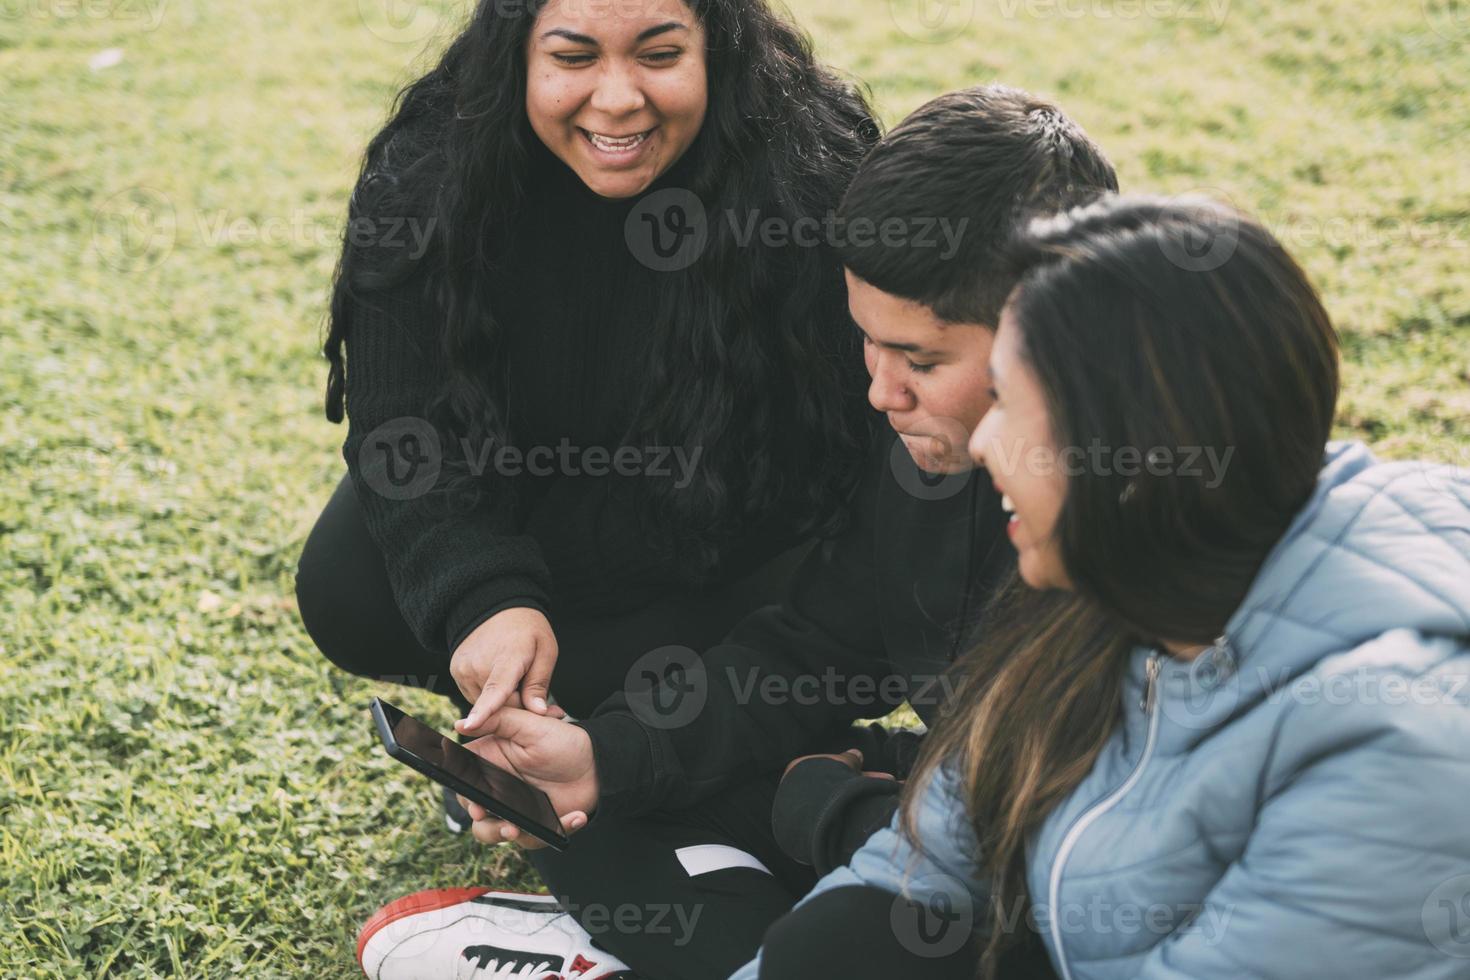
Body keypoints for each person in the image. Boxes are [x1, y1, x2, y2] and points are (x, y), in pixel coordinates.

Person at [355, 86, 1118, 980]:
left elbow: (1079, 859)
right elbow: (814, 644)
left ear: (1057, 331)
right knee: (593, 806)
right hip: (936, 798)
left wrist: (832, 805)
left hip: (1040, 880)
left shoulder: (1150, 523)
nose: (880, 392)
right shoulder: (925, 458)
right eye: (866, 342)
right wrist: (606, 757)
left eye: (920, 360)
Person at [730, 195, 1470, 980]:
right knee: (845, 942)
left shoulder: (1389, 745)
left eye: (1010, 403)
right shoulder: (1108, 592)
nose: (984, 441)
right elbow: (921, 868)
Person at [293, 0, 880, 835]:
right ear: (516, 54)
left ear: (720, 48)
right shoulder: (430, 164)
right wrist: (484, 599)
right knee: (347, 587)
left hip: (719, 542)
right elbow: (399, 426)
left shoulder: (812, 167)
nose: (616, 100)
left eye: (659, 54)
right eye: (572, 57)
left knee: (672, 681)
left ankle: (624, 745)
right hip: (530, 508)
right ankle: (540, 720)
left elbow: (848, 465)